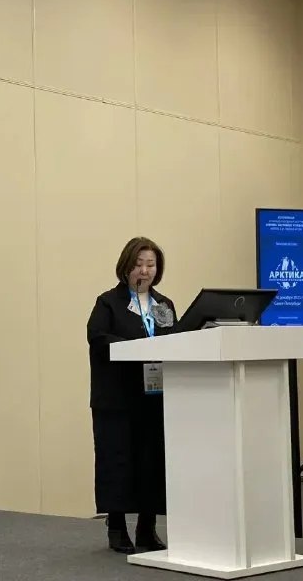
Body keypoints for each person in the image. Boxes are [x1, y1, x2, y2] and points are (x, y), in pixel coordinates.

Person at [86, 236, 177, 554]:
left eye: (151, 264)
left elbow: (175, 338)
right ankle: (116, 526)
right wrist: (136, 349)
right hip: (118, 399)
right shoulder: (108, 303)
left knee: (152, 462)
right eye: (139, 264)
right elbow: (98, 338)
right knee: (118, 461)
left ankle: (147, 528)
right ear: (126, 267)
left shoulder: (163, 305)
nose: (145, 270)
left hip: (154, 397)